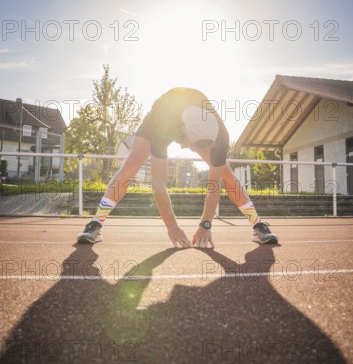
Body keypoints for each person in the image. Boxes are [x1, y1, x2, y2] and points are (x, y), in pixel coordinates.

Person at [77, 87, 278, 246]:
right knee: (132, 163)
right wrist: (172, 226)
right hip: (160, 113)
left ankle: (257, 224)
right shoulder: (164, 127)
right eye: (197, 145)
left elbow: (214, 183)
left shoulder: (221, 135)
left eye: (208, 145)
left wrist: (206, 224)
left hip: (187, 114)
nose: (200, 150)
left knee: (225, 173)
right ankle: (96, 223)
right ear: (183, 131)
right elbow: (158, 183)